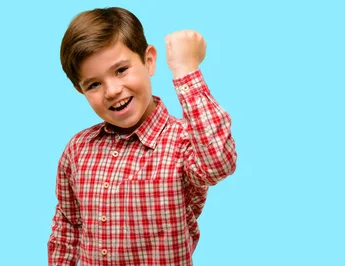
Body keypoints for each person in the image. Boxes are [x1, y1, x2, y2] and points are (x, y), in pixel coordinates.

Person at [48, 7, 237, 265]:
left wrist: (185, 69)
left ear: (148, 61)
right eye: (94, 84)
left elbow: (218, 163)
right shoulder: (78, 149)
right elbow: (68, 225)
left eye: (121, 70)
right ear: (81, 91)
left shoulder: (182, 140)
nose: (112, 90)